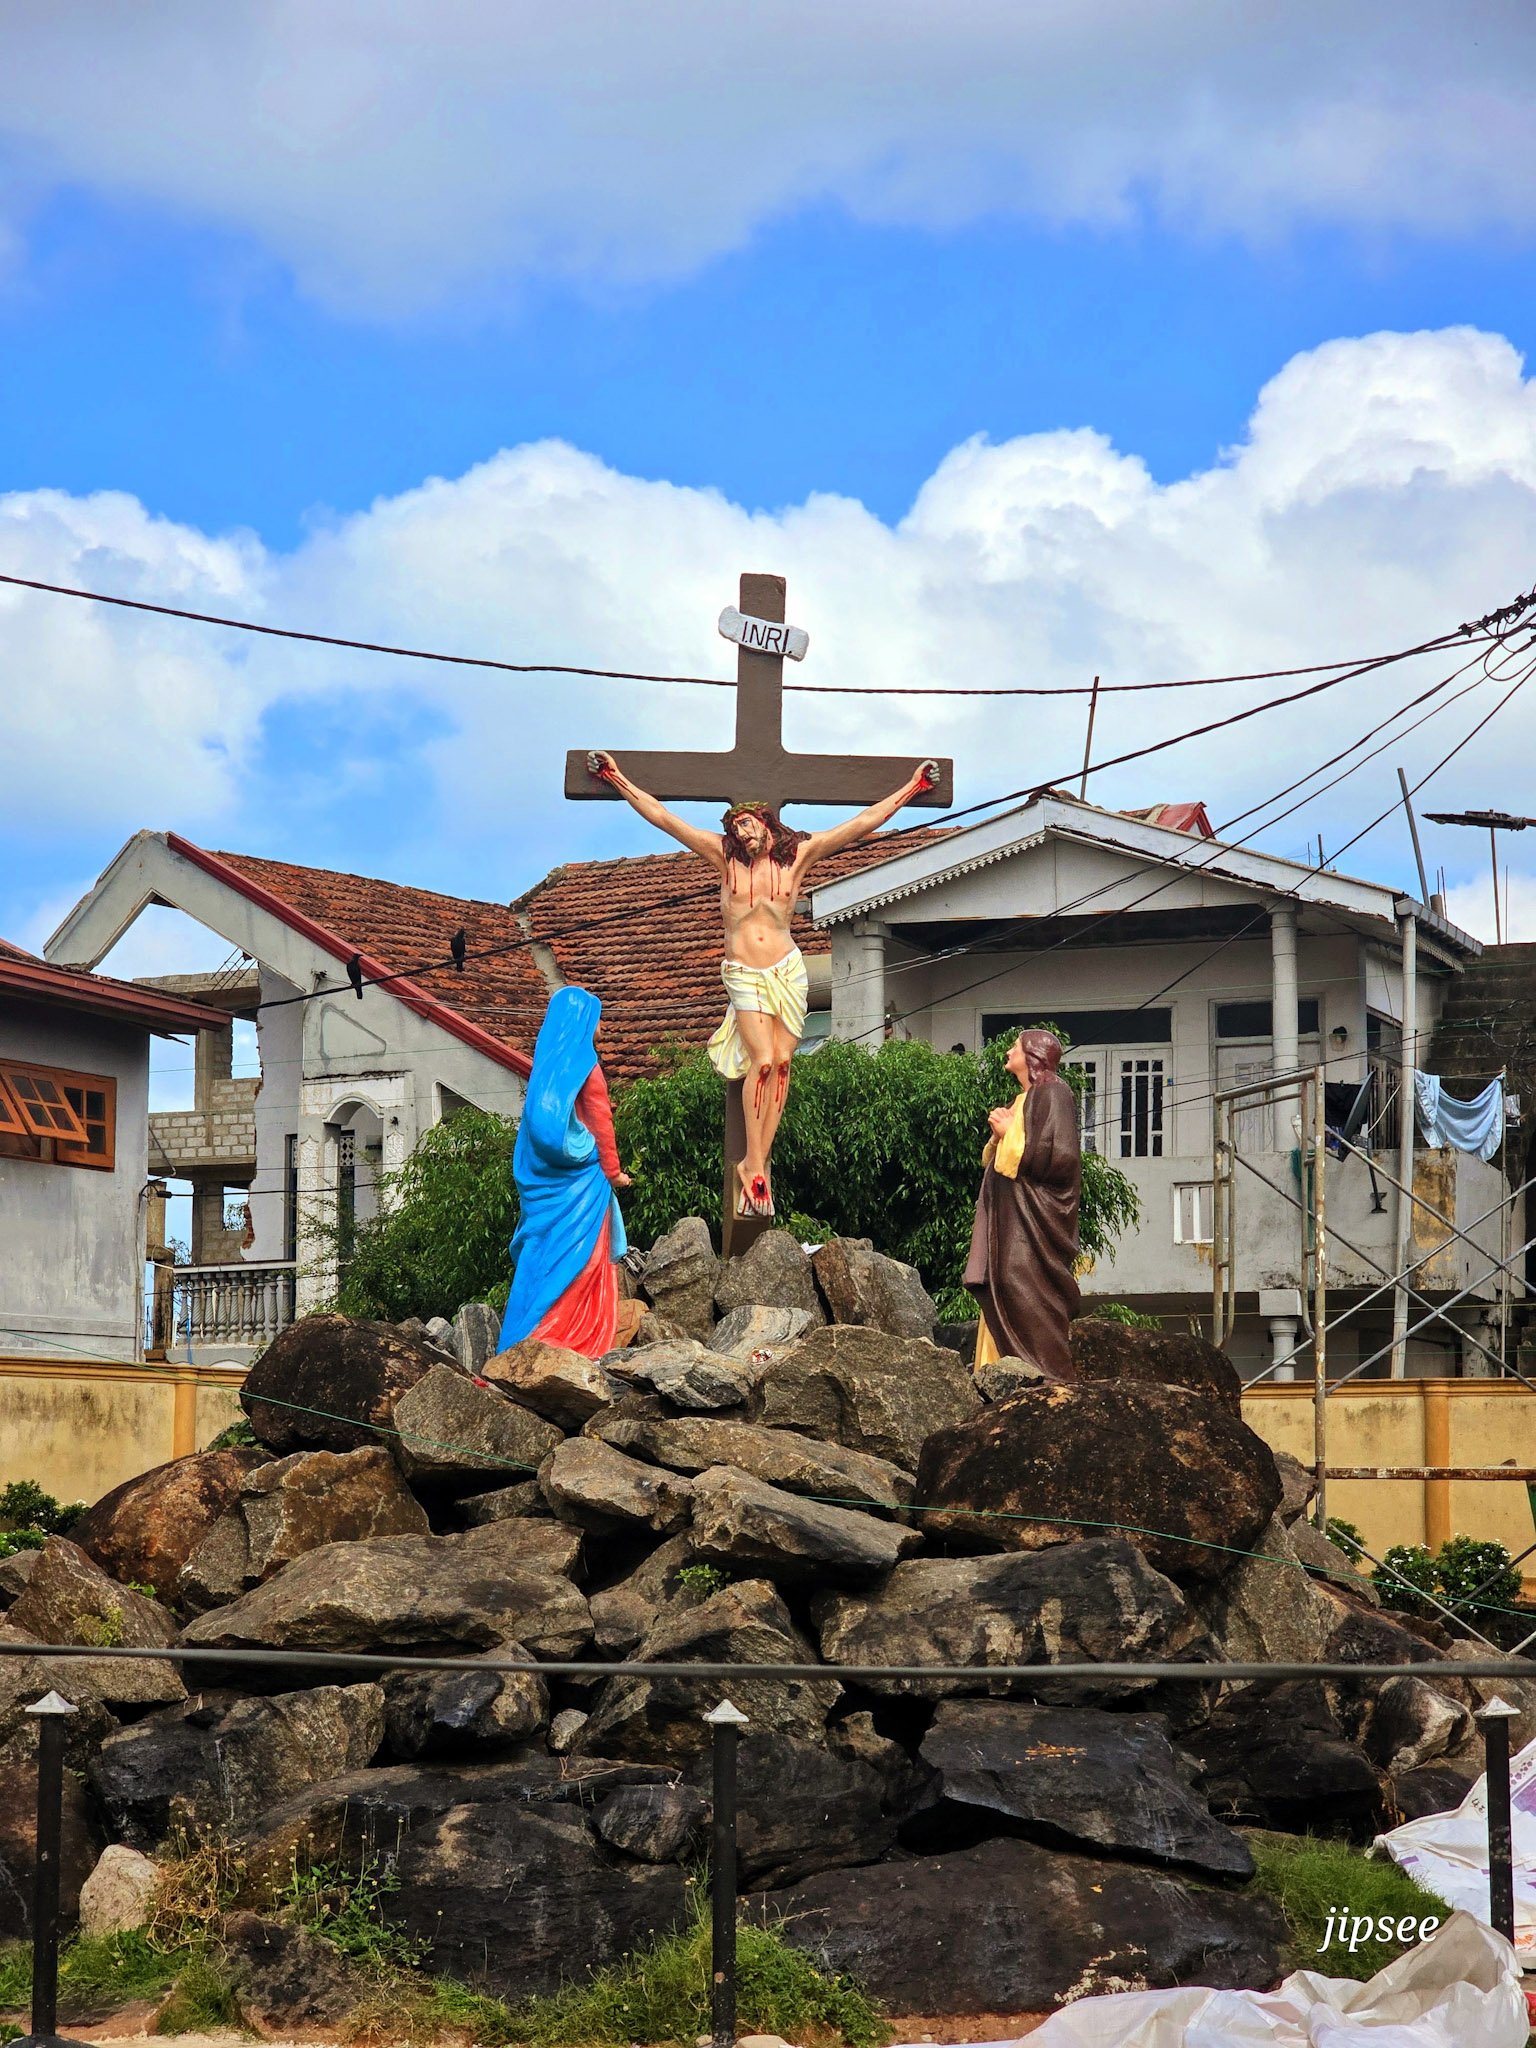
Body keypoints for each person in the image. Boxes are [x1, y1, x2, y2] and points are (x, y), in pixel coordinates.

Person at [589, 749, 937, 1219]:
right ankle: (751, 1162)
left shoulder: (800, 856)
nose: (742, 836)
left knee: (784, 1064)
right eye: (735, 830)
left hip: (787, 968)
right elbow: (664, 818)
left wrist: (912, 788)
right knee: (764, 1059)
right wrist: (617, 778)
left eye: (747, 827)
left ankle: (758, 1163)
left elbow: (861, 823)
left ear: (766, 823)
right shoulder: (723, 857)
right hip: (745, 972)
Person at [499, 985, 631, 1358]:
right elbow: (601, 1121)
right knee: (584, 1259)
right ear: (581, 1021)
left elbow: (538, 1129)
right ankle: (576, 1339)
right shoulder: (586, 1064)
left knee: (540, 1261)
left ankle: (524, 1337)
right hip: (582, 1183)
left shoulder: (546, 1067)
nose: (601, 1026)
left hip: (546, 1185)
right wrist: (612, 1171)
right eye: (597, 1018)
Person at [965, 1027, 1082, 1381]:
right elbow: (997, 1160)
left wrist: (1008, 1134)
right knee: (1000, 1283)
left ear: (1033, 1055)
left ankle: (1042, 1376)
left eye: (1014, 1046)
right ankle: (999, 1375)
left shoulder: (1054, 1093)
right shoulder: (1021, 1101)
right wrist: (1001, 1137)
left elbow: (1061, 1158)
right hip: (1009, 1216)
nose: (1008, 1052)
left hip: (1035, 1222)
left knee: (1022, 1285)